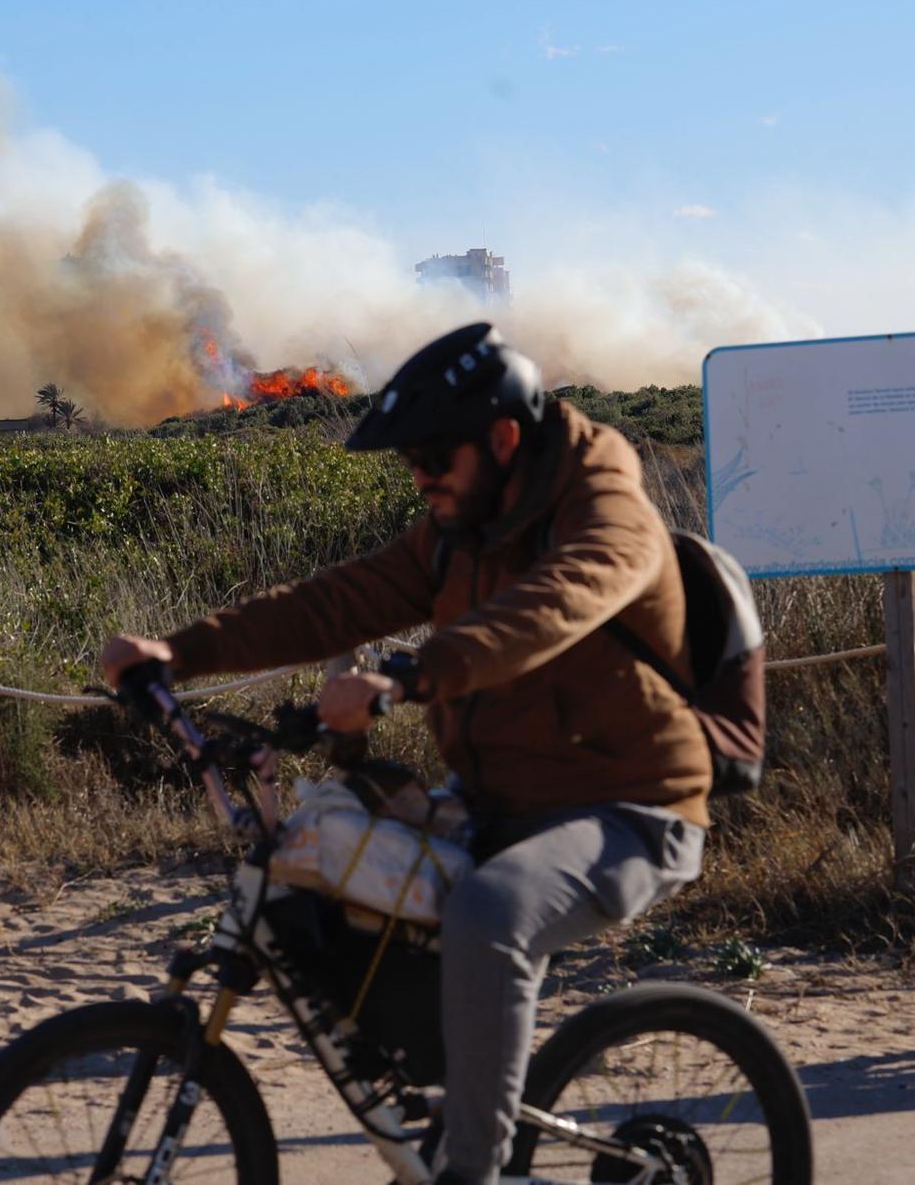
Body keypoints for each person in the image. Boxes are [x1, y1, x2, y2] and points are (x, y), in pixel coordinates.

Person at [101, 322, 710, 1184]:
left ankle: (469, 1171)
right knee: (347, 879)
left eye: (433, 457)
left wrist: (409, 675)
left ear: (502, 438)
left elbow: (557, 603)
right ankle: (441, 1103)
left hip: (631, 806)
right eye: (410, 463)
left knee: (491, 915)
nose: (420, 478)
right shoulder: (461, 524)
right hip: (502, 797)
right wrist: (180, 651)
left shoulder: (609, 514)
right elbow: (339, 600)